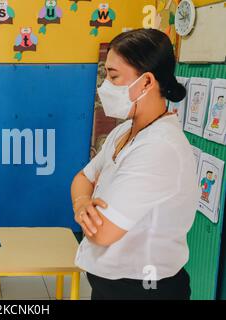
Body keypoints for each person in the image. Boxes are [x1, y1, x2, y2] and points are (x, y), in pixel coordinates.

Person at [71, 28, 198, 300]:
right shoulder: (124, 131)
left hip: (144, 289)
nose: (104, 86)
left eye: (113, 76)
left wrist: (86, 213)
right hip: (109, 284)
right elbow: (82, 177)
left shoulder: (159, 147)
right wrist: (83, 204)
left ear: (146, 82)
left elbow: (102, 232)